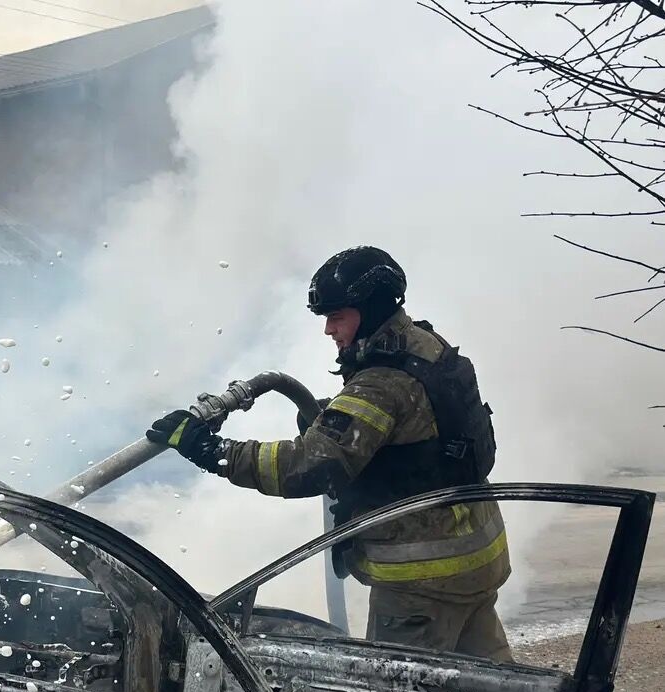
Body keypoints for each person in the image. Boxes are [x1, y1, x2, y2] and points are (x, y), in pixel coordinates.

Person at [146, 246, 512, 661]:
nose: (328, 330)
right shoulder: (425, 346)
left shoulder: (381, 382)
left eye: (337, 317)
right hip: (475, 563)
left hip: (422, 584)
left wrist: (213, 451)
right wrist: (336, 419)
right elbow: (415, 436)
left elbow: (309, 468)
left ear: (371, 311)